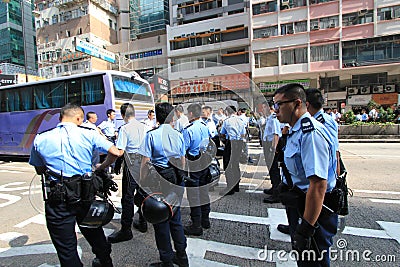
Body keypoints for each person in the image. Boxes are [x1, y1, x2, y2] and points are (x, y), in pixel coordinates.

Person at [29, 104, 122, 267]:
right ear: (79, 118)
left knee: (66, 247)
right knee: (93, 230)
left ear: (60, 118)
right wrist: (101, 166)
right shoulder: (89, 134)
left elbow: (39, 169)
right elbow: (115, 152)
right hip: (86, 195)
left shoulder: (41, 138)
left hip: (58, 198)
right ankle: (104, 261)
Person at [273, 83, 338, 266]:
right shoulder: (294, 131)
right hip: (300, 206)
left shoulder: (311, 133)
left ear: (297, 103)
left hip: (314, 213)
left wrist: (306, 228)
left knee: (313, 262)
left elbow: (318, 185)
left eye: (279, 105)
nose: (275, 110)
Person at [138, 102, 188, 267]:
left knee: (161, 221)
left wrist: (142, 181)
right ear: (172, 116)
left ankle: (166, 260)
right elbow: (182, 160)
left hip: (159, 182)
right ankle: (181, 256)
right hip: (176, 180)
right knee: (176, 219)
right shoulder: (178, 135)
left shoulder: (151, 135)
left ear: (157, 118)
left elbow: (145, 162)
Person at [107, 103, 150, 243]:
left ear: (123, 115)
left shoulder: (124, 129)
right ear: (135, 113)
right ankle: (143, 222)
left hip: (132, 164)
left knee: (127, 197)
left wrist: (111, 164)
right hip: (145, 163)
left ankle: (126, 230)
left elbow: (120, 151)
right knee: (143, 193)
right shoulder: (145, 127)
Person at [182, 103, 212, 236]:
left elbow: (183, 151)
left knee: (194, 195)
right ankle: (205, 220)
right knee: (204, 192)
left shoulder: (188, 130)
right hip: (204, 161)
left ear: (191, 114)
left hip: (193, 163)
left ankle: (196, 225)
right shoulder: (205, 127)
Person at [219, 106, 246, 196]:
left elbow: (222, 133)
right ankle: (236, 185)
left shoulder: (227, 121)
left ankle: (230, 187)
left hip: (231, 142)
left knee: (227, 164)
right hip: (239, 142)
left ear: (227, 112)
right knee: (235, 163)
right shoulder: (241, 120)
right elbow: (243, 134)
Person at [262, 103, 282, 204]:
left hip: (271, 145)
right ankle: (273, 188)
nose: (262, 109)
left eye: (264, 107)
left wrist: (273, 148)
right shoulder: (269, 118)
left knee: (274, 169)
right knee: (271, 168)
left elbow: (276, 134)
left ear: (270, 108)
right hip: (267, 144)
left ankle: (277, 194)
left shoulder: (274, 118)